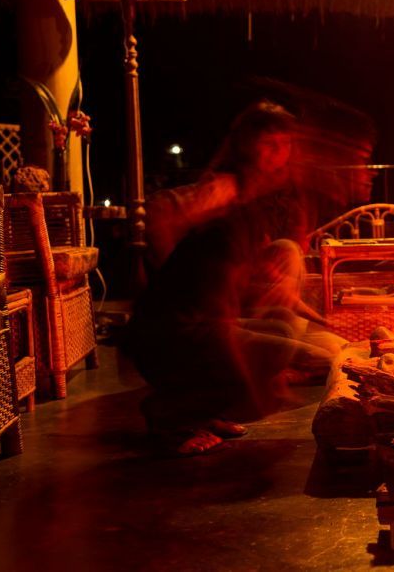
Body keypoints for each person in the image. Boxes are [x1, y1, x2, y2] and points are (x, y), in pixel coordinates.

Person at [125, 100, 374, 455]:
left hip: (200, 321)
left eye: (286, 144)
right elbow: (164, 220)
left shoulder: (261, 199)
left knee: (286, 335)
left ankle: (204, 409)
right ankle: (170, 414)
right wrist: (258, 385)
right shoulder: (223, 195)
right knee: (274, 359)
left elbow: (259, 273)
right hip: (170, 336)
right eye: (270, 144)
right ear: (247, 146)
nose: (280, 154)